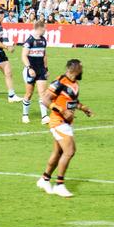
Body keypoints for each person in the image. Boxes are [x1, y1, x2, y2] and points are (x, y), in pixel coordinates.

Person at [37, 59, 92, 197]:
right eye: (81, 68)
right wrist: (61, 110)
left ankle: (44, 179)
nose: (82, 70)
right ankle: (59, 184)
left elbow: (71, 101)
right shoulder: (60, 82)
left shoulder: (74, 83)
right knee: (70, 151)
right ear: (74, 69)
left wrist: (82, 107)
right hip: (58, 121)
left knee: (58, 153)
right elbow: (45, 99)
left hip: (66, 122)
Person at [20, 21, 51, 124]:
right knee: (29, 94)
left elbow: (44, 55)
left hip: (41, 70)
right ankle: (25, 115)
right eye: (44, 28)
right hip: (31, 70)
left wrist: (46, 69)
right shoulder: (30, 40)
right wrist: (29, 68)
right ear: (39, 28)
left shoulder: (43, 40)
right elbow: (24, 56)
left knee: (43, 93)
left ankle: (44, 117)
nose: (45, 30)